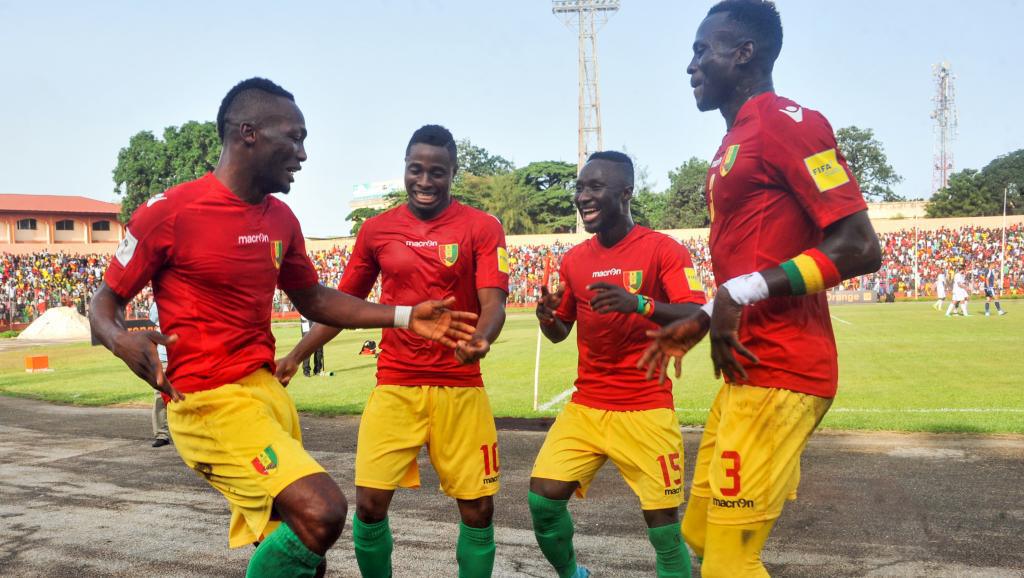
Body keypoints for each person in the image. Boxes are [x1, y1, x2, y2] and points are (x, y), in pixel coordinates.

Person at [89, 79, 477, 578]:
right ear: (248, 133)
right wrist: (119, 338)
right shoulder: (169, 212)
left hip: (267, 395)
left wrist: (403, 315)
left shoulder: (281, 219)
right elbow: (103, 303)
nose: (303, 154)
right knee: (322, 512)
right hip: (208, 403)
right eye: (294, 138)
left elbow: (313, 299)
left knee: (303, 555)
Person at [640, 2, 882, 576]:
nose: (691, 65)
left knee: (729, 562)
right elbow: (751, 264)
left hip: (784, 369)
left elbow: (859, 246)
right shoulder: (736, 140)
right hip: (746, 374)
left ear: (744, 53)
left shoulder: (787, 123)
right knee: (699, 534)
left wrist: (738, 293)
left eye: (703, 50)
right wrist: (704, 314)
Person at [276, 125, 509, 578]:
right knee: (369, 505)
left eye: (437, 172)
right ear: (405, 167)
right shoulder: (377, 230)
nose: (424, 180)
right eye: (415, 169)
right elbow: (342, 305)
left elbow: (493, 302)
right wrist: (297, 354)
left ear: (453, 172)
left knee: (479, 509)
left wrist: (482, 338)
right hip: (395, 385)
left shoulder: (481, 227)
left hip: (461, 387)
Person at [531, 151, 707, 578]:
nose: (583, 197)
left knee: (663, 529)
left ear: (626, 192)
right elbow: (560, 332)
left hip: (646, 407)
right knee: (542, 501)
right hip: (587, 406)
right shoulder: (574, 260)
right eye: (579, 188)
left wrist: (639, 304)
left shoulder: (663, 250)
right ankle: (573, 575)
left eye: (595, 187)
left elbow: (697, 313)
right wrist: (547, 317)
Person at [148, 296, 170, 448]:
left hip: (184, 355)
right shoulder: (160, 301)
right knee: (159, 396)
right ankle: (162, 434)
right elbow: (153, 316)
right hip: (164, 356)